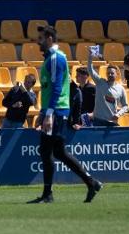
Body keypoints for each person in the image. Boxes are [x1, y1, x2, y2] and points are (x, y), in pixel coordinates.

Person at [28, 26, 102, 203]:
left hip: (57, 112)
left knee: (47, 151)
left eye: (41, 38)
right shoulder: (51, 59)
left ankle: (49, 194)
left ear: (50, 39)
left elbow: (56, 88)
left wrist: (49, 114)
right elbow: (48, 89)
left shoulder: (56, 58)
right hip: (54, 111)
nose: (38, 41)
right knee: (58, 152)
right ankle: (90, 182)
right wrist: (43, 111)